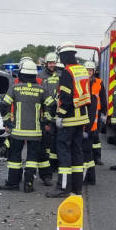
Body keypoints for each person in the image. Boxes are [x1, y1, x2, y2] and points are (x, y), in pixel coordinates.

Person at [0, 60, 55, 193]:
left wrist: (7, 122)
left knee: (14, 158)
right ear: (35, 74)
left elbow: (4, 105)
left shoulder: (15, 88)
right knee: (32, 159)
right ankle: (28, 184)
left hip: (17, 131)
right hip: (35, 132)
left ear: (21, 73)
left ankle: (13, 183)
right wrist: (46, 120)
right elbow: (52, 105)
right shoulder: (41, 89)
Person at [47, 42, 91, 198]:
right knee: (77, 151)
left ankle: (63, 188)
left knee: (64, 152)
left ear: (64, 56)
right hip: (82, 117)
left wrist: (60, 115)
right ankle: (76, 188)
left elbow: (66, 97)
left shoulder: (67, 72)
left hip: (70, 119)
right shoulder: (83, 70)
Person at [37, 51, 60, 185]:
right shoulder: (40, 76)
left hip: (59, 113)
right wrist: (45, 118)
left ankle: (55, 165)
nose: (52, 65)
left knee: (58, 142)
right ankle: (49, 167)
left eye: (53, 63)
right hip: (46, 115)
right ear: (46, 64)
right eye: (50, 63)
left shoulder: (61, 75)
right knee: (47, 143)